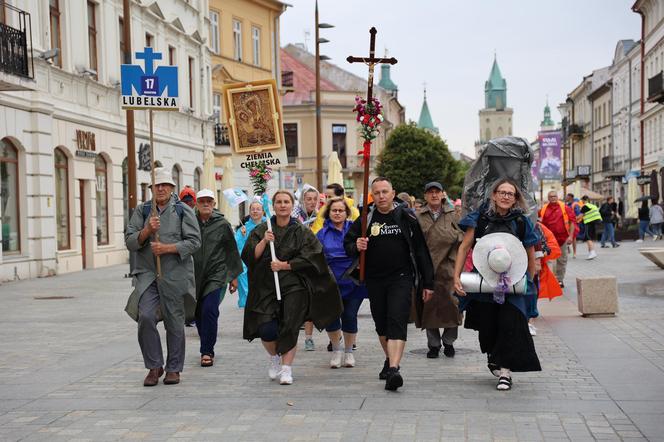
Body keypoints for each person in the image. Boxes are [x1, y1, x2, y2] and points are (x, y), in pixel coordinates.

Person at [242, 190, 342, 385]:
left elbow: (314, 256)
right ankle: (274, 358)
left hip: (294, 285)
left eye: (286, 202)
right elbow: (249, 256)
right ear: (273, 205)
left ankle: (287, 368)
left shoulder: (301, 231)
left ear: (292, 205)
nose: (282, 205)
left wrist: (285, 265)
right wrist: (264, 240)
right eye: (278, 202)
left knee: (291, 324)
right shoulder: (263, 228)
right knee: (266, 329)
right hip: (266, 286)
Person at [344, 177, 434, 391]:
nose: (382, 196)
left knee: (397, 320)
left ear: (393, 193)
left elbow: (421, 250)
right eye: (377, 193)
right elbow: (347, 243)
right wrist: (356, 244)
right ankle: (389, 359)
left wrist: (428, 282)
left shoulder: (406, 216)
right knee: (382, 325)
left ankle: (394, 369)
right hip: (375, 280)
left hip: (401, 278)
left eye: (385, 192)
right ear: (372, 196)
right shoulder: (366, 218)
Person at [453, 178, 541, 391]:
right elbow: (464, 247)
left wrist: (527, 282)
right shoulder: (481, 219)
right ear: (493, 195)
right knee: (488, 326)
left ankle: (505, 372)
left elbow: (530, 254)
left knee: (511, 324)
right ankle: (494, 357)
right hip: (484, 282)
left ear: (515, 199)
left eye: (510, 193)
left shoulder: (521, 221)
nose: (505, 196)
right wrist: (456, 276)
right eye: (501, 192)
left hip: (514, 283)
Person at [124, 167, 201, 386]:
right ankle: (154, 365)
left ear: (171, 188)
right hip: (148, 275)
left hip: (175, 274)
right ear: (152, 188)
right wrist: (147, 231)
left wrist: (167, 248)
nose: (161, 189)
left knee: (174, 321)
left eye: (165, 185)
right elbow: (130, 242)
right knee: (146, 316)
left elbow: (195, 242)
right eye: (157, 185)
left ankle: (174, 368)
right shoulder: (143, 211)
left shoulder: (183, 211)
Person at [192, 189, 243, 367]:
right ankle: (205, 340)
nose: (205, 204)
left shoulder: (222, 224)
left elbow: (231, 250)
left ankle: (207, 351)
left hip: (216, 273)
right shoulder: (189, 222)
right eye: (202, 201)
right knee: (197, 312)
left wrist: (234, 277)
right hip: (194, 274)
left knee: (210, 310)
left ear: (214, 204)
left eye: (209, 201)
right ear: (196, 204)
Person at [316, 197, 368, 368]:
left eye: (341, 210)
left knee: (350, 315)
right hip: (331, 281)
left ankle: (349, 352)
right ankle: (336, 350)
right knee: (332, 317)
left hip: (353, 280)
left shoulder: (356, 230)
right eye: (334, 210)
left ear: (347, 213)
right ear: (328, 213)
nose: (337, 213)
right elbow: (317, 257)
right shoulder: (321, 234)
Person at [416, 182, 463, 358]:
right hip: (427, 267)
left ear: (443, 194)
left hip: (449, 267)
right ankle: (433, 344)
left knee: (453, 305)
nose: (434, 195)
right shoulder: (419, 216)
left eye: (437, 192)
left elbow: (463, 237)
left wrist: (450, 239)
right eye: (430, 193)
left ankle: (449, 342)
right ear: (426, 196)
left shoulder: (454, 214)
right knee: (429, 306)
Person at [291, 186, 321, 351]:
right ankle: (297, 336)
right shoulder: (296, 216)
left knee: (312, 301)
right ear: (303, 200)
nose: (311, 202)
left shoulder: (319, 216)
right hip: (298, 263)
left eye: (314, 199)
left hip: (314, 263)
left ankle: (310, 337)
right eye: (308, 199)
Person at [539, 191, 576, 287]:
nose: (553, 198)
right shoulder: (543, 209)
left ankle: (559, 280)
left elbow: (572, 222)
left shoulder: (565, 208)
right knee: (549, 260)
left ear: (557, 197)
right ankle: (551, 280)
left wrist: (571, 236)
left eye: (554, 196)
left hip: (563, 238)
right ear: (548, 198)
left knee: (562, 260)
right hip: (549, 240)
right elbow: (539, 223)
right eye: (551, 196)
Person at [235, 201, 265, 308]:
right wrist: (242, 235)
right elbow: (237, 246)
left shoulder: (269, 225)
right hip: (248, 262)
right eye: (253, 209)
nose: (255, 211)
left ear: (263, 212)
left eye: (258, 209)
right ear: (249, 212)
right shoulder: (244, 228)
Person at [565, 193, 582, 258]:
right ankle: (567, 249)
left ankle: (574, 252)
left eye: (566, 197)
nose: (565, 198)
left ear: (570, 197)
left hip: (572, 223)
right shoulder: (566, 204)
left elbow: (579, 215)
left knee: (573, 238)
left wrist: (573, 220)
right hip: (566, 223)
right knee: (566, 237)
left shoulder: (575, 205)